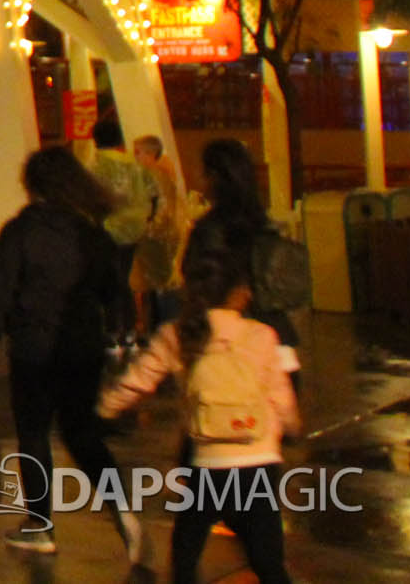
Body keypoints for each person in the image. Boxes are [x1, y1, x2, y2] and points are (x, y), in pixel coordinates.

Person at [0, 145, 144, 563]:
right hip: (83, 346)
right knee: (81, 434)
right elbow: (113, 290)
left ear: (32, 184)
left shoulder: (21, 231)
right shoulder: (92, 233)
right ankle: (121, 508)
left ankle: (39, 525)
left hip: (34, 347)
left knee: (33, 435)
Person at [99, 246, 298, 584]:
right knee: (268, 562)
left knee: (186, 555)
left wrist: (105, 408)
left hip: (209, 464)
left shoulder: (178, 334)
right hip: (259, 462)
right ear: (240, 293)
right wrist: (292, 426)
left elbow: (137, 381)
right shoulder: (261, 336)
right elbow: (281, 396)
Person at [182, 137, 302, 353]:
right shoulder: (263, 224)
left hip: (231, 339)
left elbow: (198, 281)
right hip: (277, 334)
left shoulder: (210, 230)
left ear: (213, 176)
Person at [89, 117, 155, 352]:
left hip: (107, 229)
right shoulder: (136, 165)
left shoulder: (95, 166)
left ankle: (112, 329)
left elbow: (88, 198)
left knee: (110, 279)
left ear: (96, 140)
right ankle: (129, 329)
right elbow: (154, 194)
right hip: (135, 230)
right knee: (124, 278)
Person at [132, 133, 188, 337]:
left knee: (160, 298)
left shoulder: (153, 179)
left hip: (156, 247)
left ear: (149, 154)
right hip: (160, 247)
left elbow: (160, 216)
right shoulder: (159, 178)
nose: (135, 157)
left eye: (137, 152)